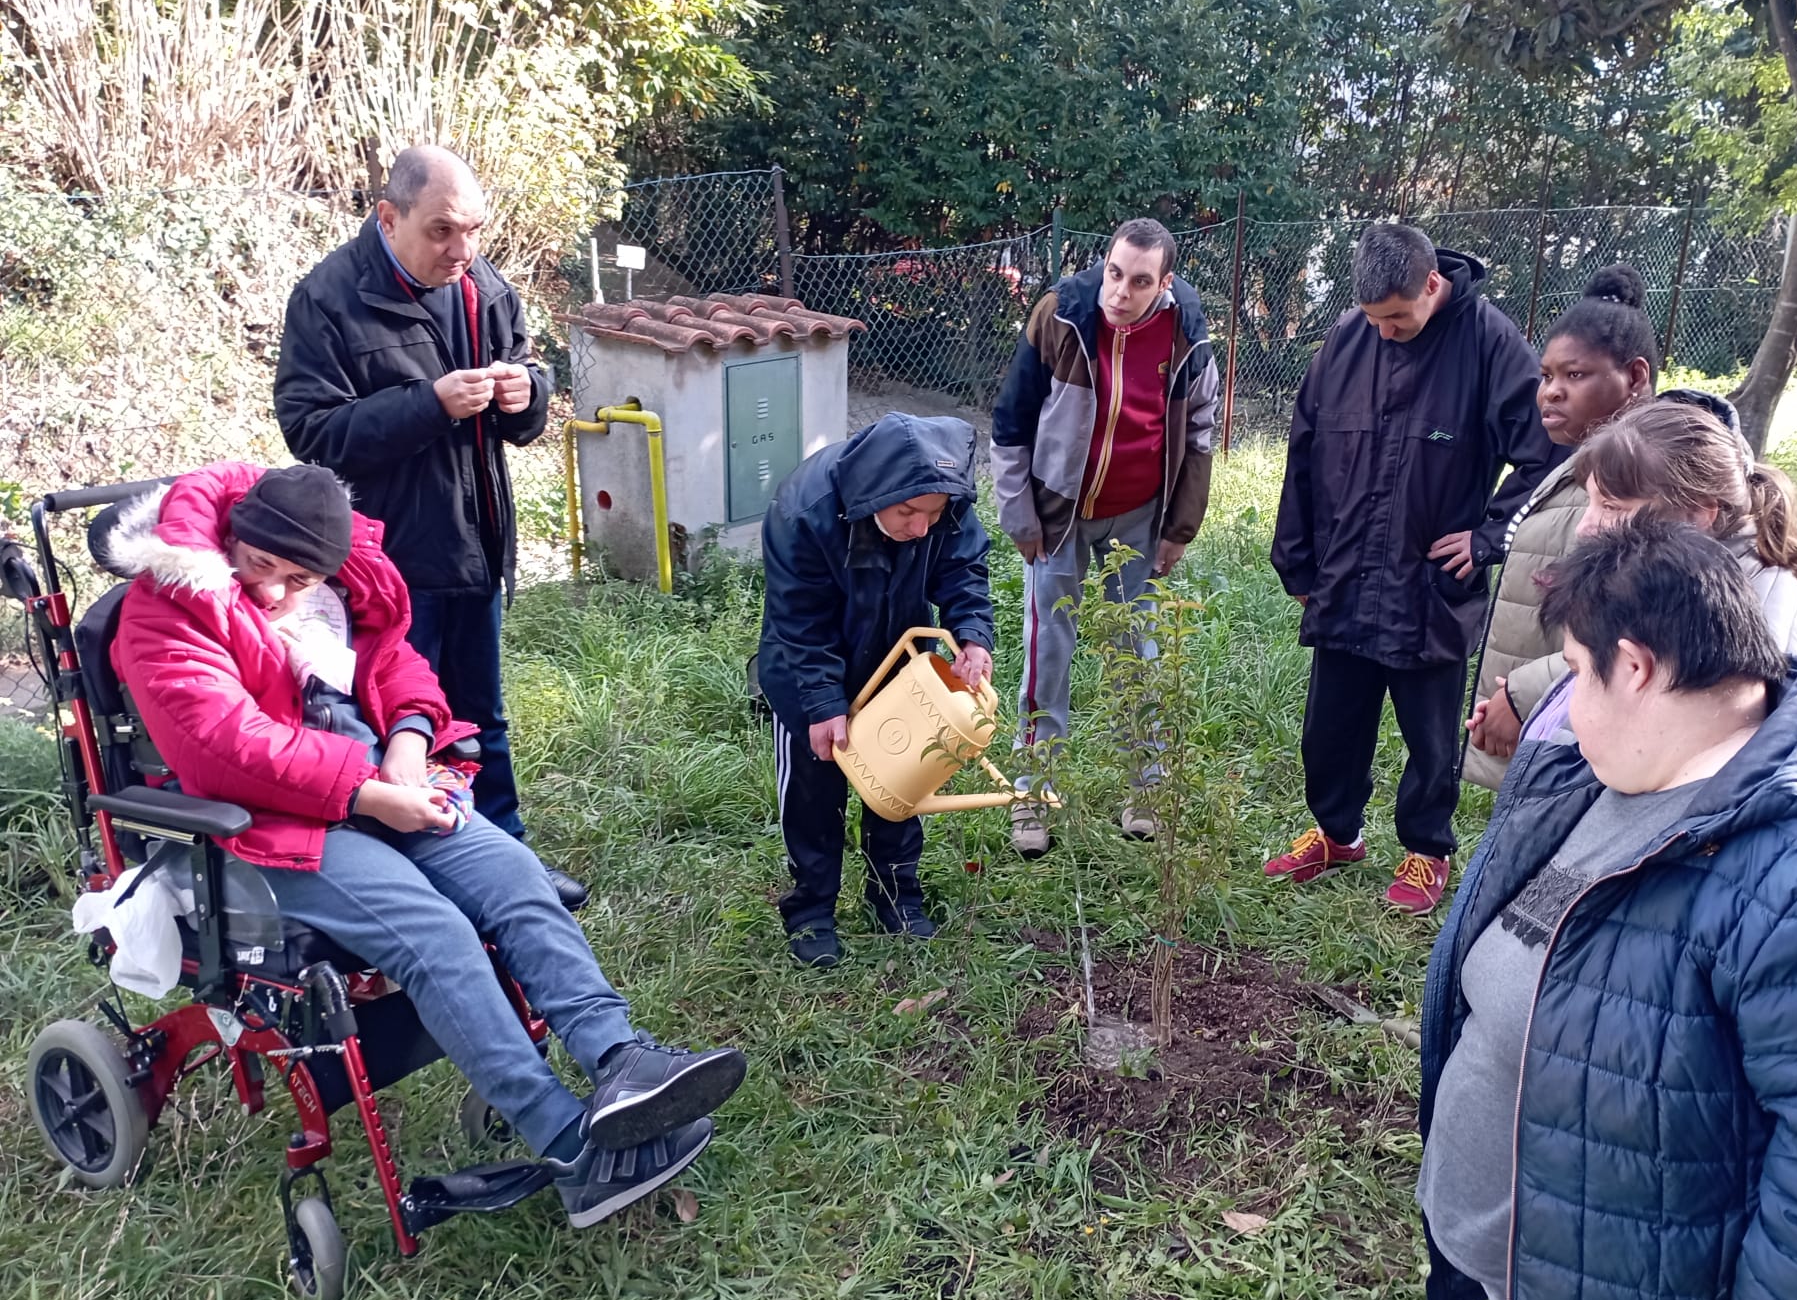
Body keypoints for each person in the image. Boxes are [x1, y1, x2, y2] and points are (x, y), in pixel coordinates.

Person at [106, 463, 748, 1228]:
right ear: (230, 539)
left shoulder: (345, 592)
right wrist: (370, 790)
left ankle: (621, 1060)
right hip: (268, 827)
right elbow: (225, 749)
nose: (276, 592)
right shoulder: (166, 612)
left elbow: (399, 664)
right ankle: (573, 1148)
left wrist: (409, 740)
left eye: (301, 577)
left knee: (511, 874)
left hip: (379, 785)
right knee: (434, 931)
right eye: (260, 568)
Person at [1417, 518, 1797, 1300]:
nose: (1569, 710)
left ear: (1639, 668)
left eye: (1577, 674)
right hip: (1551, 1275)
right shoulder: (1612, 778)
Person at [273, 146, 578, 907]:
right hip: (390, 565)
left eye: (473, 230)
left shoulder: (483, 289)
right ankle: (423, 878)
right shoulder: (327, 300)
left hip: (479, 550)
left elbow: (529, 397)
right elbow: (311, 434)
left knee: (484, 717)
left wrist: (527, 393)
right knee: (400, 725)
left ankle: (510, 871)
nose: (462, 250)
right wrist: (429, 403)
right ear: (389, 217)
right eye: (443, 231)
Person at [1266, 223, 1561, 912]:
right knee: (1330, 726)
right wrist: (1298, 561)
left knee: (1432, 735)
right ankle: (1336, 833)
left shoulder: (1489, 342)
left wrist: (1489, 537)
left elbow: (1547, 455)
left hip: (1430, 584)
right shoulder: (1347, 338)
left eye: (1397, 318)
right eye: (1375, 320)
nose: (1387, 333)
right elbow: (1303, 451)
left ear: (1433, 285)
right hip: (1343, 575)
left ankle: (1427, 850)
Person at [991, 217, 1218, 857]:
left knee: (1138, 650)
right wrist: (1019, 517)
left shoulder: (1186, 333)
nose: (1120, 291)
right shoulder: (1060, 316)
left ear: (1164, 284)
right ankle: (1032, 796)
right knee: (1048, 653)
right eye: (1115, 273)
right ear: (1105, 263)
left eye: (1139, 281)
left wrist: (1180, 527)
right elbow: (1010, 422)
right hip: (1058, 516)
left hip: (1139, 517)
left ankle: (1145, 792)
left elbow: (1200, 429)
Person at [756, 413, 995, 970]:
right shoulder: (804, 512)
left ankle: (895, 895)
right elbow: (801, 621)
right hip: (805, 665)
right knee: (814, 790)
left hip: (897, 656)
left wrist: (973, 636)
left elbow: (964, 572)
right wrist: (821, 703)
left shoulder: (945, 503)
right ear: (872, 495)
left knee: (903, 775)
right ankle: (811, 910)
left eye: (932, 515)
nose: (920, 527)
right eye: (908, 512)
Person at [1480, 396, 1797, 760]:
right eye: (1589, 501)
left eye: (1611, 507)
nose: (1585, 528)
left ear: (1698, 516)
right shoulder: (1680, 585)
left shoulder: (1741, 637)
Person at [1460, 264, 1657, 791]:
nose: (1550, 392)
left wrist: (1524, 695)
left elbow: (1641, 627)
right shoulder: (1575, 467)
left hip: (1597, 740)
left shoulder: (1647, 480)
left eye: (1575, 376)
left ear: (1634, 378)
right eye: (1546, 376)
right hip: (1558, 726)